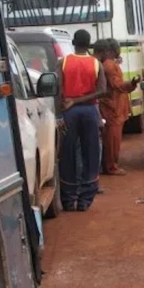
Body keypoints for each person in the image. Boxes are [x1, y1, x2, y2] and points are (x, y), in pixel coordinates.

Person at [57, 29, 107, 212]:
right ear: (89, 44)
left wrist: (60, 113)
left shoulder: (63, 62)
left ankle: (69, 199)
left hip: (68, 112)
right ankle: (85, 199)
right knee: (91, 154)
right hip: (89, 111)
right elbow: (102, 90)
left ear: (73, 42)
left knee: (67, 154)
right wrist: (81, 100)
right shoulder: (96, 64)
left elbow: (58, 90)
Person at [99, 38, 140, 176]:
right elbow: (117, 85)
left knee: (112, 140)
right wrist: (131, 84)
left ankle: (110, 165)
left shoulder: (109, 64)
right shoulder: (109, 65)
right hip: (112, 108)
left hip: (115, 107)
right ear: (111, 50)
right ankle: (111, 167)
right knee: (112, 140)